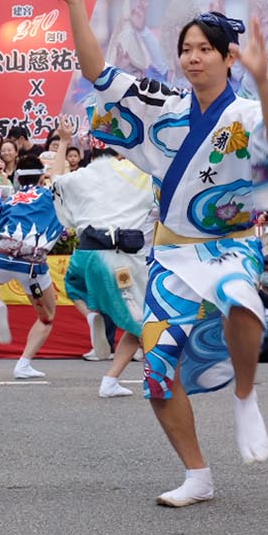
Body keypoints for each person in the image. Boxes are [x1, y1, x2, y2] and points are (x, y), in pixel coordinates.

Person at [51, 0, 268, 507]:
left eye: (205, 49)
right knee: (156, 369)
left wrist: (265, 81)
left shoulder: (246, 112)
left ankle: (245, 396)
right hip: (173, 250)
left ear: (228, 57)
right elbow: (98, 73)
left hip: (230, 246)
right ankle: (197, 474)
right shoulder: (165, 109)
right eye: (187, 49)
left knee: (243, 304)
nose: (194, 57)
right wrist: (76, 5)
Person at [51, 142, 157, 397]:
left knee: (74, 287)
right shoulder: (143, 176)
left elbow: (54, 179)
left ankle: (90, 316)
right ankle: (155, 376)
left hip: (85, 252)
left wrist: (64, 141)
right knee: (142, 324)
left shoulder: (87, 175)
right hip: (118, 259)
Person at [0, 134, 74, 379]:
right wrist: (64, 140)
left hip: (2, 258)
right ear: (41, 176)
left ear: (18, 177)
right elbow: (57, 176)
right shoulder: (49, 194)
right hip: (32, 267)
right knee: (46, 318)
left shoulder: (10, 198)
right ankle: (23, 363)